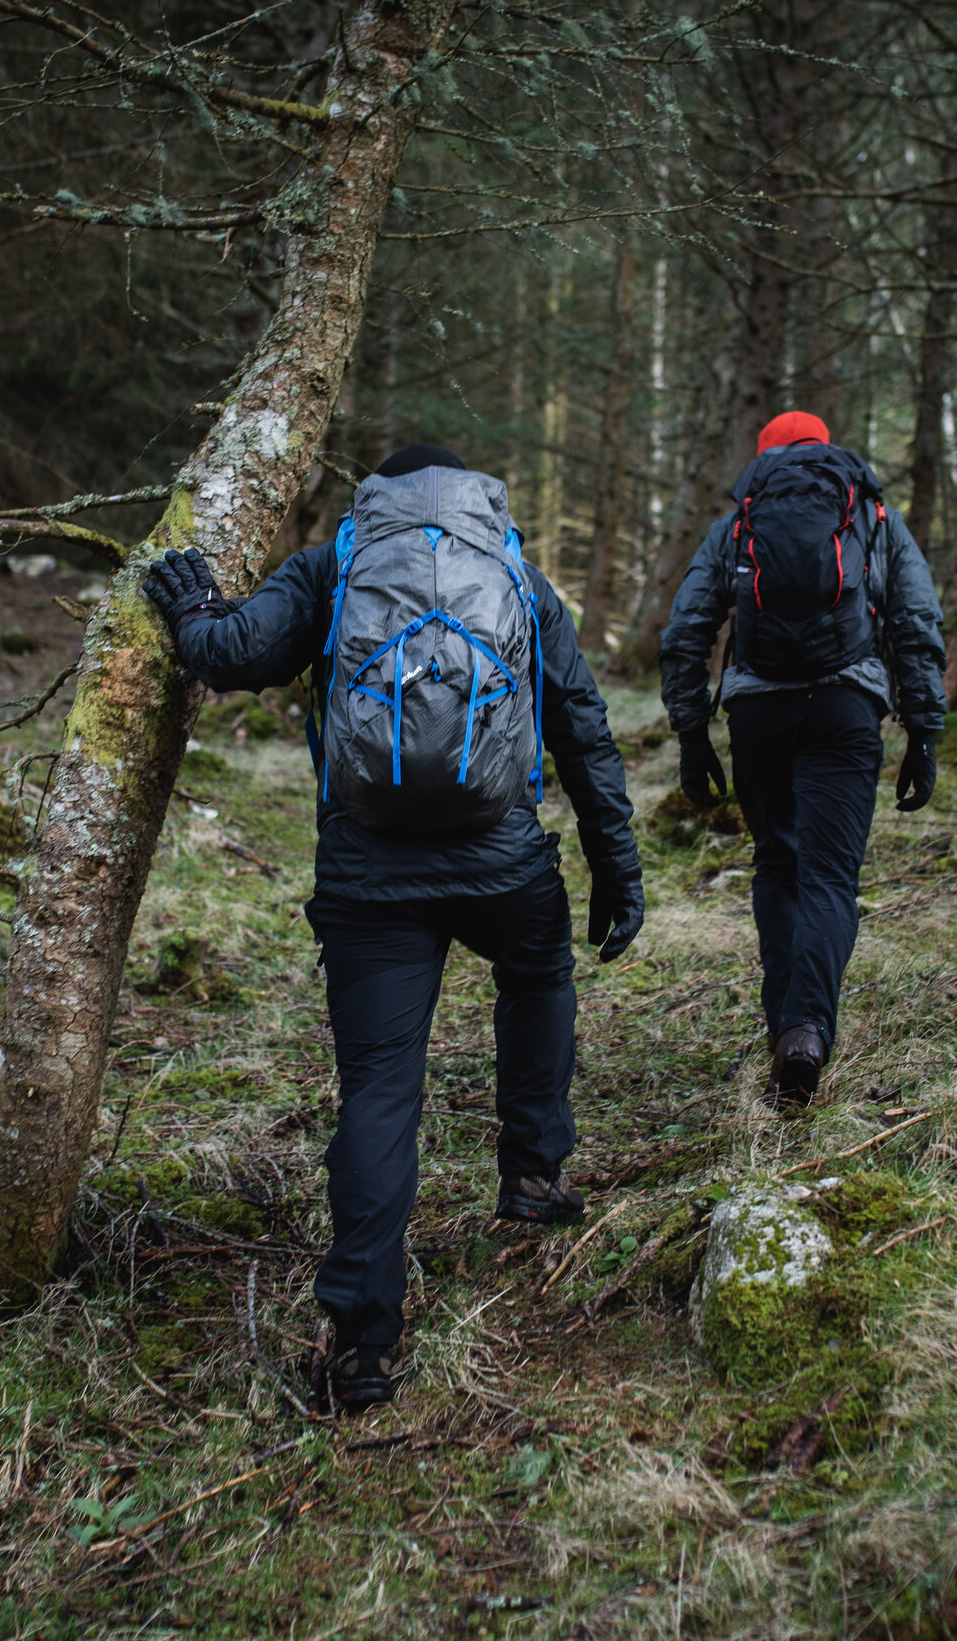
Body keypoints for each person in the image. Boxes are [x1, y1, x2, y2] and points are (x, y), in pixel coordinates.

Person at [142, 443, 645, 1414]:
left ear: (379, 493)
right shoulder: (512, 568)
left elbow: (233, 653)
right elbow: (581, 723)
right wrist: (616, 865)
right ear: (471, 491)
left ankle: (364, 1343)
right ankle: (534, 1172)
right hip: (503, 863)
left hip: (371, 877)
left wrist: (192, 600)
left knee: (380, 1091)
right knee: (538, 970)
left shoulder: (338, 561)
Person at [658, 410, 946, 1108]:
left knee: (779, 865)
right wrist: (925, 729)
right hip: (845, 708)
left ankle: (786, 1028)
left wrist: (693, 734)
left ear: (764, 459)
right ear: (826, 451)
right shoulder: (873, 515)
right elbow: (915, 619)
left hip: (757, 711)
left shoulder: (741, 522)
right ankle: (806, 1031)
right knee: (829, 876)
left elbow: (686, 629)